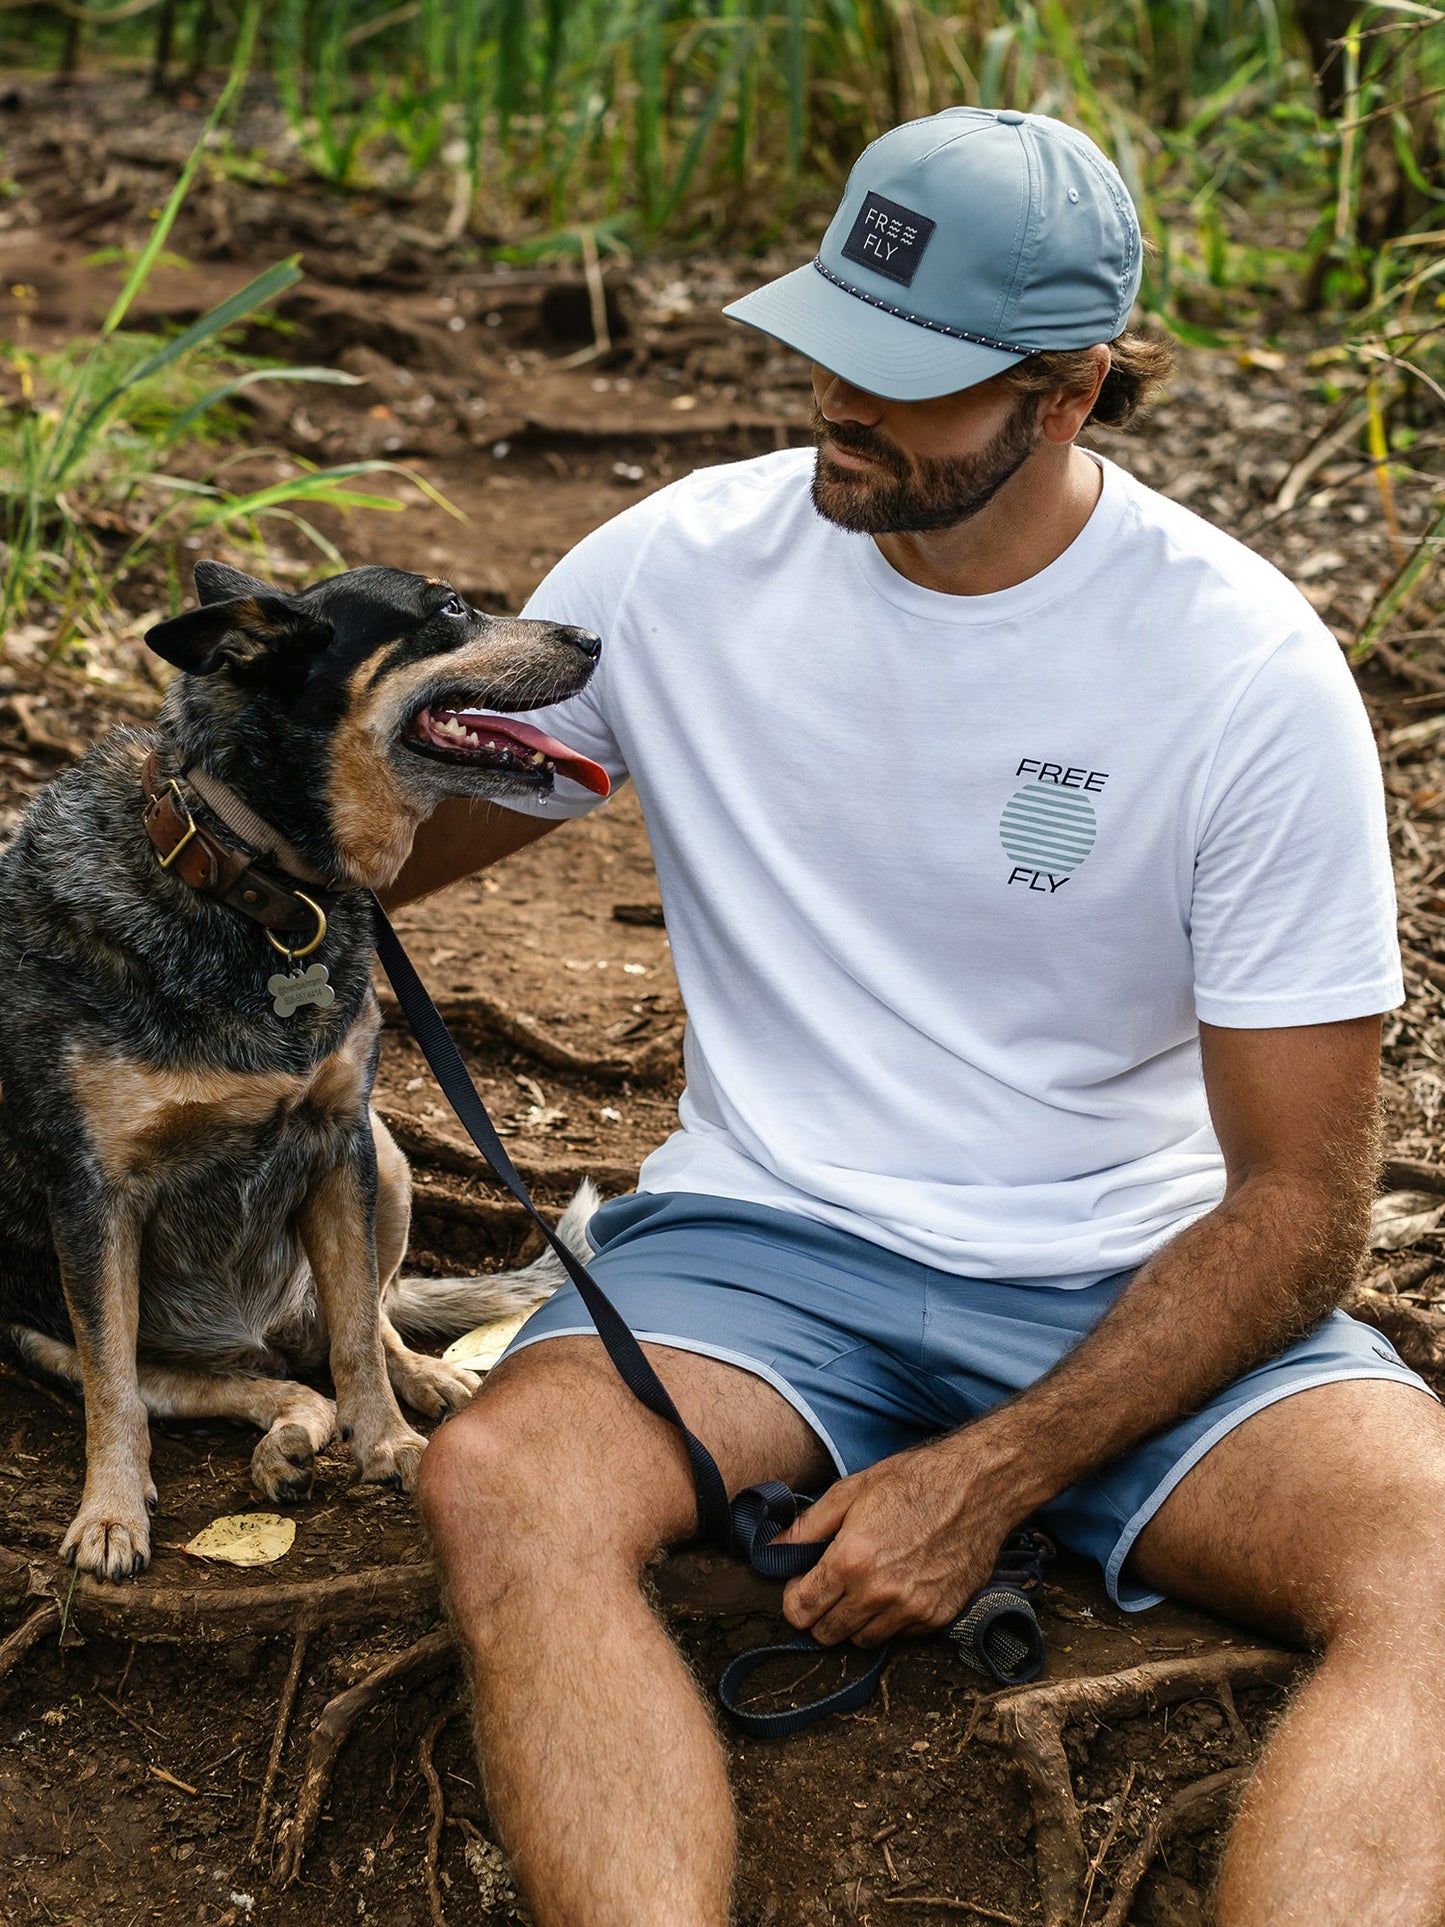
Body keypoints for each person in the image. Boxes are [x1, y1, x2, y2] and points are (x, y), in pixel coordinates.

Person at [404, 108, 1445, 1927]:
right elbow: (389, 833)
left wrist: (987, 1479)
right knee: (503, 1482)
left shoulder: (1240, 670)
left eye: (904, 380)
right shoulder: (675, 571)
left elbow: (1298, 1209)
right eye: (826, 344)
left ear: (1070, 393)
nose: (836, 400)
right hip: (762, 1245)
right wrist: (194, 808)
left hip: (1123, 1268)